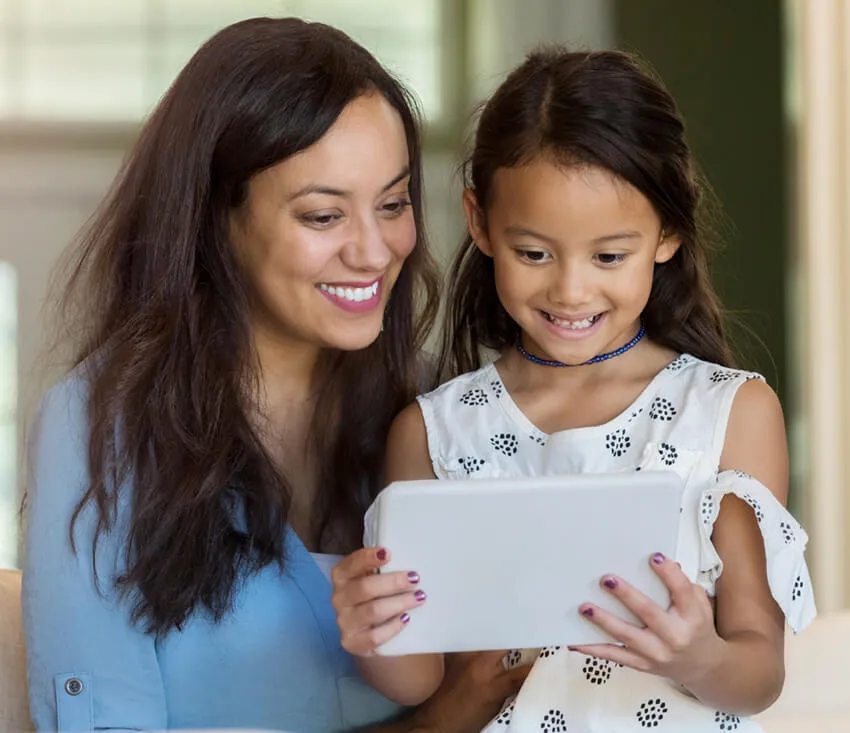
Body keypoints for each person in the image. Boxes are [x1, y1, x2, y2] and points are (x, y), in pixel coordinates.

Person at [21, 17, 528, 733]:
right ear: (215, 220)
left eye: (393, 204)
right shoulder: (98, 426)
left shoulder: (435, 416)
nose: (374, 250)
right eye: (322, 215)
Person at [332, 47, 817, 731]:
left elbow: (759, 669)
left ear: (669, 231)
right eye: (534, 253)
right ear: (480, 221)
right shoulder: (433, 430)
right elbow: (421, 678)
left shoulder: (729, 412)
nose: (570, 289)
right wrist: (369, 626)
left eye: (609, 256)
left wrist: (695, 655)